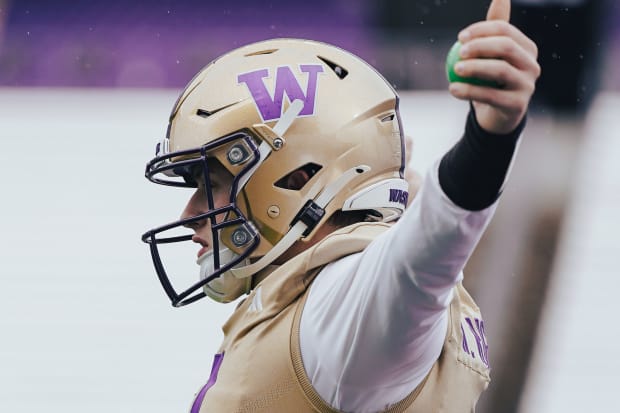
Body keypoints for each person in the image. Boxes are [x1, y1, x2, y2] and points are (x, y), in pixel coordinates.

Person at [141, 0, 540, 411]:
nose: (188, 213)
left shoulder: (344, 311)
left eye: (214, 182)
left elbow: (425, 255)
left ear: (296, 179)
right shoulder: (310, 298)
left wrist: (487, 139)